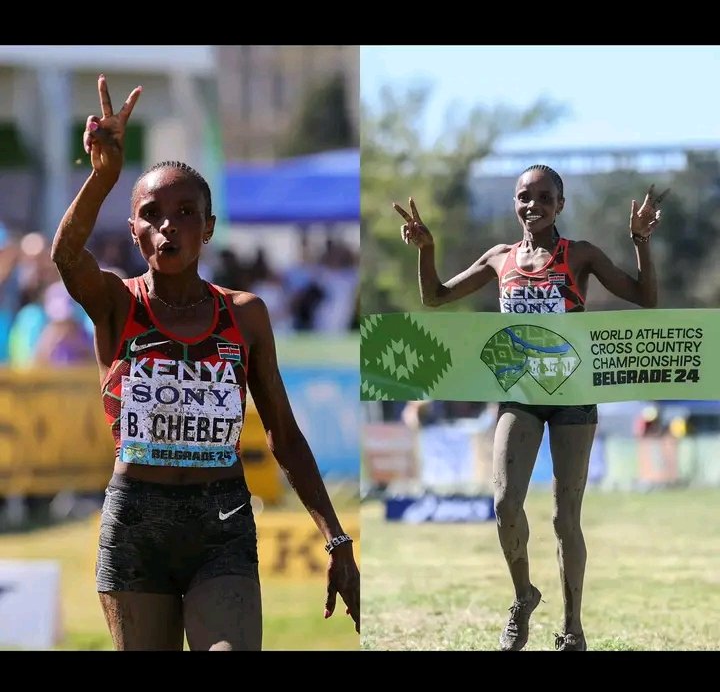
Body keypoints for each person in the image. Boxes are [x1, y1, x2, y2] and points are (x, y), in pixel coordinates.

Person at [50, 74, 359, 651]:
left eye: (186, 211)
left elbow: (284, 435)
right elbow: (66, 255)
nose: (169, 223)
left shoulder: (245, 317)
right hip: (135, 523)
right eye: (152, 213)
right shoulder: (118, 304)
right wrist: (103, 178)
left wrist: (337, 540)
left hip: (222, 522)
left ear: (209, 229)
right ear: (136, 231)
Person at [394, 165, 666, 651]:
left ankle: (573, 631)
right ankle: (523, 598)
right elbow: (434, 298)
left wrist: (640, 241)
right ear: (514, 203)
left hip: (573, 398)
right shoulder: (500, 258)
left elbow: (646, 298)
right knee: (504, 504)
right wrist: (427, 250)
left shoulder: (578, 255)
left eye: (544, 197)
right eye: (524, 196)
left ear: (560, 205)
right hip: (520, 396)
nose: (532, 205)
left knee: (566, 520)